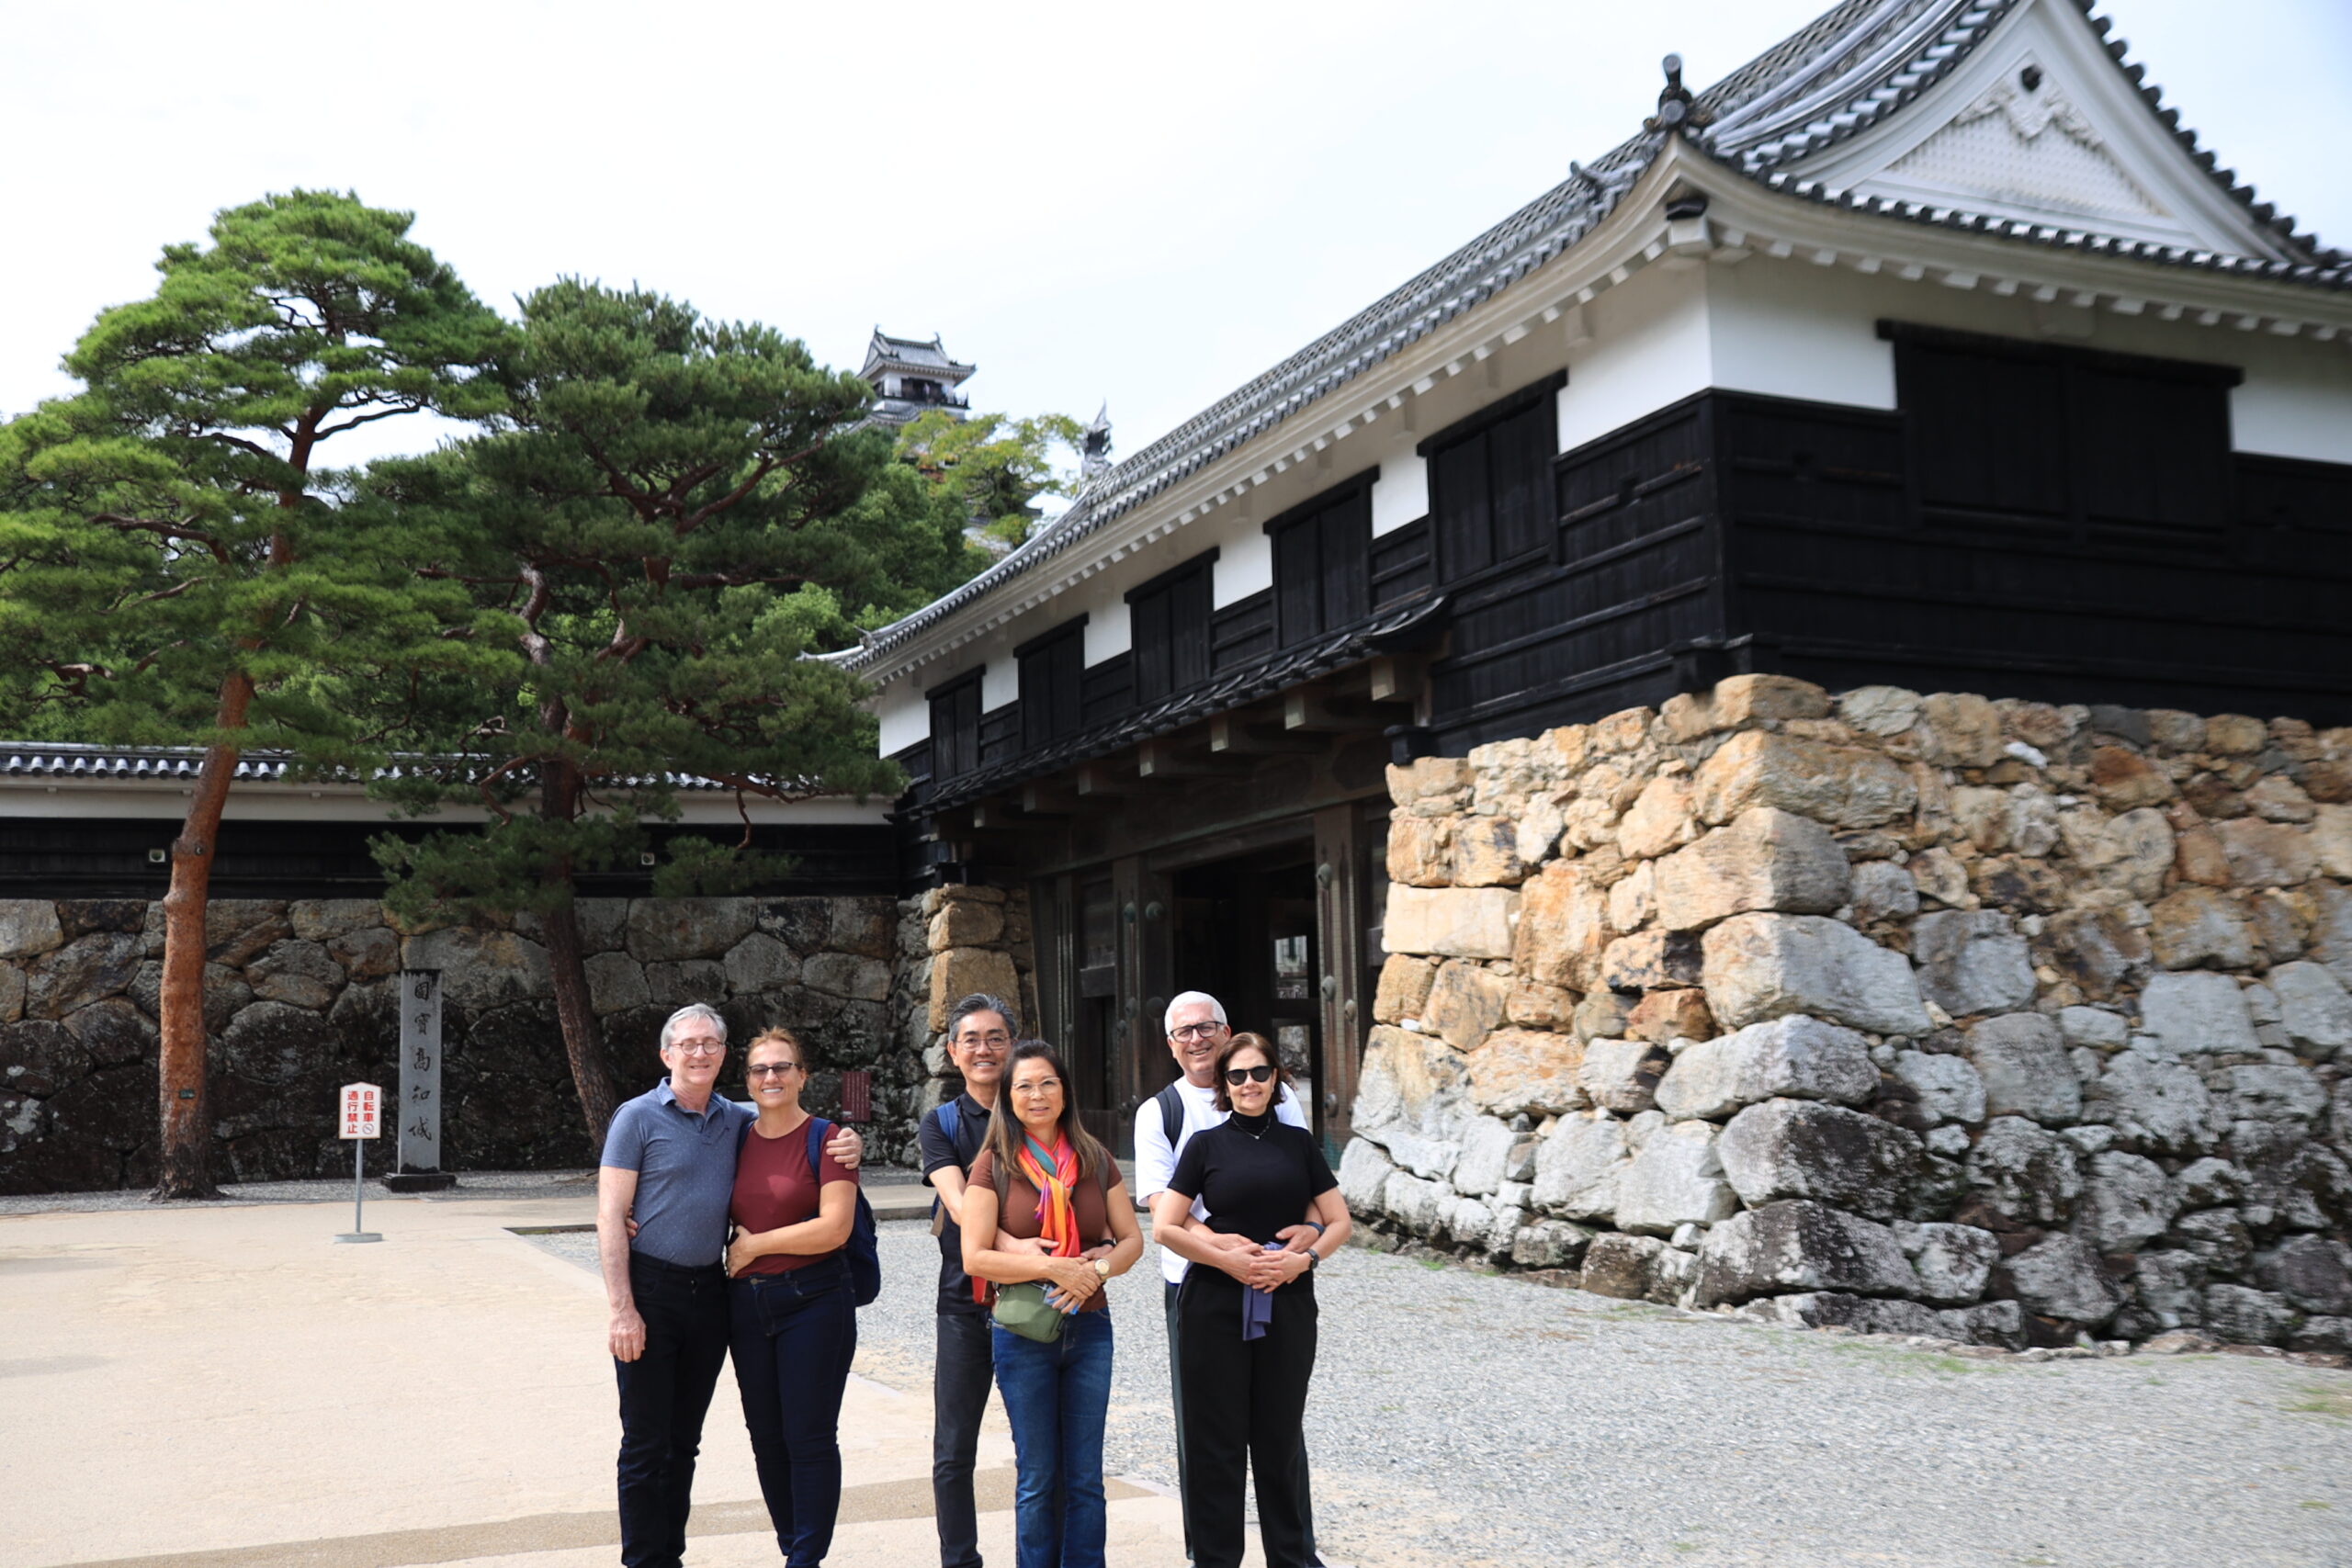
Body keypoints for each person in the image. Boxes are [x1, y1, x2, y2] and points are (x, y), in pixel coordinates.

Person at [596, 1002, 863, 1568]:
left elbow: (789, 1125)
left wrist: (848, 1143)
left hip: (714, 1295)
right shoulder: (636, 1117)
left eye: (710, 1044)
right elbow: (608, 1214)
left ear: (722, 1057)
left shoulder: (736, 1119)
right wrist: (622, 1308)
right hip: (651, 1291)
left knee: (685, 1442)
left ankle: (674, 1554)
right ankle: (646, 1561)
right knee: (646, 1442)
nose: (699, 1053)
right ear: (666, 1054)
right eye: (687, 1044)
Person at [1132, 991, 1320, 1563]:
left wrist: (1307, 1240)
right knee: (1206, 1431)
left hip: (1274, 1280)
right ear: (1170, 1045)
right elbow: (1161, 1201)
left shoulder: (1278, 1095)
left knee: (1280, 1426)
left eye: (1207, 1027)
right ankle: (1210, 1553)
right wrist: (1222, 1249)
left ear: (1226, 1030)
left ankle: (1295, 1551)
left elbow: (1305, 1177)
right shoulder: (1159, 1112)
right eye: (1184, 1032)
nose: (1197, 1039)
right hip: (1197, 1283)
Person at [961, 1041, 1145, 1568]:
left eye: (1047, 1083)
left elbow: (1131, 1240)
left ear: (1065, 1093)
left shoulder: (1094, 1158)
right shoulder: (992, 1166)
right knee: (1038, 1477)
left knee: (1086, 1477)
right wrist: (1051, 1267)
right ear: (1007, 1097)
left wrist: (1097, 1271)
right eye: (1024, 1085)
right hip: (1021, 1335)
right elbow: (975, 1257)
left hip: (1090, 1329)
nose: (1036, 1095)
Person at [724, 1025, 861, 1567]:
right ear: (748, 1081)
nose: (771, 1077)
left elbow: (834, 1229)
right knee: (767, 1439)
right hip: (746, 1307)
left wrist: (755, 1245)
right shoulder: (734, 1135)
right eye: (760, 1069)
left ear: (803, 1076)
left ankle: (805, 1559)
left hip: (816, 1300)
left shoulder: (829, 1138)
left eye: (782, 1067)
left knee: (808, 1436)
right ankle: (793, 1549)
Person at [916, 992, 1021, 1568]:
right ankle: (960, 1561)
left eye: (996, 1038)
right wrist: (1023, 1252)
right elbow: (959, 1206)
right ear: (953, 1052)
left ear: (1014, 1045)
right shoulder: (943, 1123)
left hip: (1036, 1302)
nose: (984, 1049)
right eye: (972, 1040)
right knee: (953, 1451)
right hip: (964, 1305)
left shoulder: (1038, 1108)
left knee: (1038, 1450)